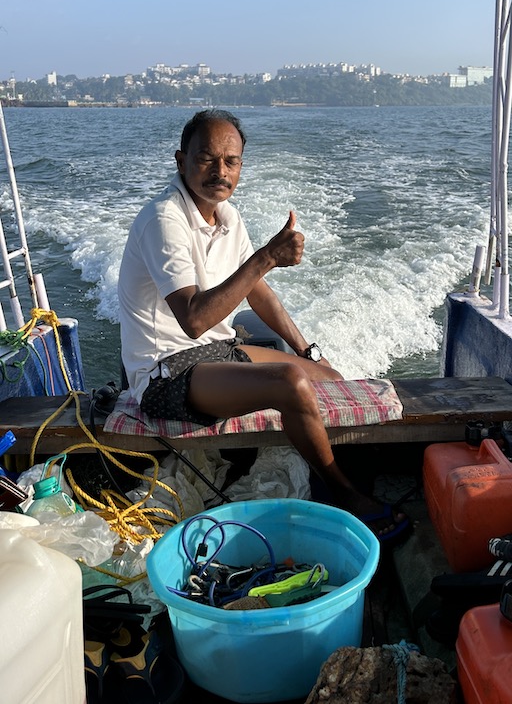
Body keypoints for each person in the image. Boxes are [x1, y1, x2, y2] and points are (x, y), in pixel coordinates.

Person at [118, 109, 408, 540]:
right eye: (207, 158)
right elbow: (194, 319)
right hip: (165, 372)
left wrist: (307, 348)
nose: (220, 171)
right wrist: (268, 257)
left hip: (215, 354)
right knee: (290, 382)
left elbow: (257, 292)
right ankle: (345, 493)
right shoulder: (165, 219)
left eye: (231, 161)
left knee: (326, 378)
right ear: (181, 161)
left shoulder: (228, 217)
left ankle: (337, 466)